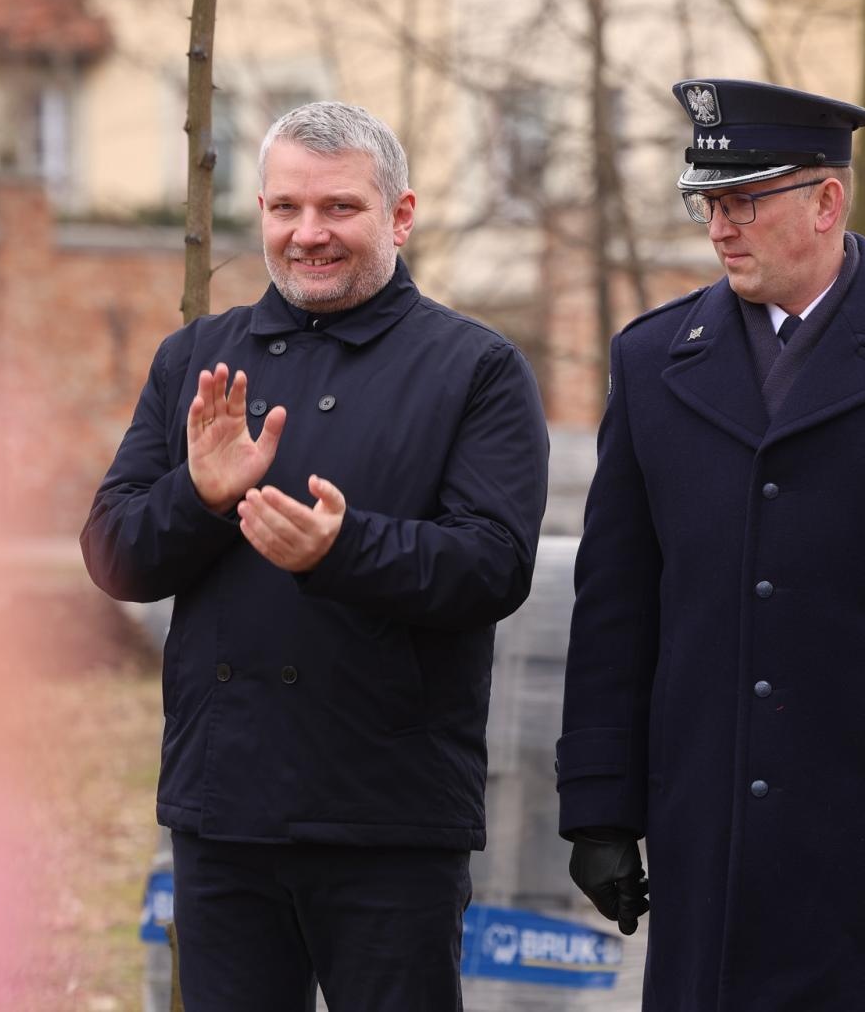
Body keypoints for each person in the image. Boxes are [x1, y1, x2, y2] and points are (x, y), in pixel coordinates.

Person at [556, 78, 865, 1010]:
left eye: (746, 200)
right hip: (705, 820)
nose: (719, 228)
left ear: (827, 201)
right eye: (709, 203)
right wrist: (597, 803)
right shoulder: (655, 361)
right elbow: (617, 601)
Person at [81, 100, 548, 1012]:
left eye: (339, 208)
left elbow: (495, 565)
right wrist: (201, 496)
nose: (308, 235)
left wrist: (344, 548)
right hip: (224, 812)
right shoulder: (195, 359)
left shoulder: (476, 368)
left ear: (400, 216)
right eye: (285, 208)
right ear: (258, 212)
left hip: (389, 816)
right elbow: (114, 557)